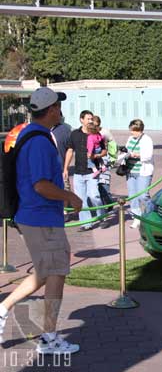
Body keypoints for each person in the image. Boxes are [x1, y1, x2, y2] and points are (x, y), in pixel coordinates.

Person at [0, 87, 82, 354]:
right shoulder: (38, 141)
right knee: (56, 272)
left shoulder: (33, 135)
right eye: (58, 105)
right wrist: (70, 196)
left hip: (37, 216)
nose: (61, 109)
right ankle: (48, 337)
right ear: (52, 110)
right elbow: (40, 185)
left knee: (45, 272)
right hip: (40, 216)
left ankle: (2, 309)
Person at [63, 110, 108, 231]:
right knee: (80, 199)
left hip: (92, 172)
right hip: (78, 172)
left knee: (94, 196)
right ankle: (86, 223)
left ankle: (102, 217)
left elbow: (104, 150)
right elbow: (70, 151)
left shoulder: (96, 133)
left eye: (91, 119)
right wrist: (66, 168)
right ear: (81, 120)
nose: (90, 121)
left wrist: (97, 156)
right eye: (88, 119)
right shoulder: (74, 134)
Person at [125, 119, 154, 229]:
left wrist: (136, 155)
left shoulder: (147, 140)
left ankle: (150, 213)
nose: (132, 132)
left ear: (139, 130)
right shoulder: (130, 138)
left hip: (143, 171)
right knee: (133, 196)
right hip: (131, 170)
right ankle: (136, 217)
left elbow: (148, 156)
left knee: (143, 195)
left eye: (133, 130)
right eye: (131, 130)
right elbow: (127, 150)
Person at [92, 115, 115, 214]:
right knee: (95, 185)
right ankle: (100, 207)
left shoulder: (105, 132)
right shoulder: (89, 133)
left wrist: (113, 157)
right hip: (93, 162)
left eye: (96, 125)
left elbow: (112, 144)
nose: (95, 127)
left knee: (104, 184)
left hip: (104, 161)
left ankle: (109, 203)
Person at [51, 114, 72, 191]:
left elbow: (70, 150)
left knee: (65, 196)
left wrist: (66, 168)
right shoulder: (39, 130)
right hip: (44, 174)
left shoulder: (65, 129)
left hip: (61, 171)